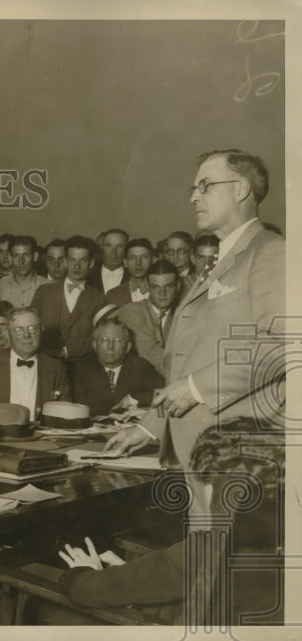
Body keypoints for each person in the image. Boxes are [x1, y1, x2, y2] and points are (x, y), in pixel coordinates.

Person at [106, 150, 285, 482]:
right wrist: (148, 429)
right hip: (202, 448)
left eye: (205, 185)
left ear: (241, 189)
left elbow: (280, 345)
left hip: (238, 454)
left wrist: (196, 387)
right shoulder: (217, 262)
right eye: (193, 188)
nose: (193, 196)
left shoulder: (271, 251)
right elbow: (186, 368)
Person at [60, 420, 282, 625]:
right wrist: (131, 579)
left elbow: (84, 591)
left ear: (214, 489)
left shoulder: (205, 552)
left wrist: (84, 572)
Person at [0, 307, 70, 418]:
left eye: (32, 328)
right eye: (19, 330)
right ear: (9, 332)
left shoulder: (56, 368)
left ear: (41, 330)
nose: (26, 335)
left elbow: (65, 415)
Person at [67, 314, 164, 416]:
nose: (110, 346)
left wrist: (132, 399)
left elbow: (163, 392)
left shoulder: (141, 367)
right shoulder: (78, 368)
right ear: (95, 345)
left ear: (128, 347)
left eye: (117, 340)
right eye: (104, 340)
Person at [29, 235, 105, 360]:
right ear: (64, 261)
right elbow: (31, 326)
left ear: (91, 263)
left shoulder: (98, 298)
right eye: (72, 260)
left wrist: (67, 351)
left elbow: (101, 337)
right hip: (45, 362)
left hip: (82, 366)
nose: (77, 266)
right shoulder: (44, 292)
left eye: (83, 260)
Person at [116, 259, 181, 376]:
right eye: (155, 287)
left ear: (178, 286)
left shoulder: (182, 314)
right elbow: (150, 353)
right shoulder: (131, 312)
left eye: (168, 286)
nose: (162, 293)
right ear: (146, 286)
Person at [0, 235, 50, 309]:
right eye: (16, 256)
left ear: (35, 256)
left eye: (26, 255)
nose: (21, 261)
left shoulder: (49, 287)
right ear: (11, 257)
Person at [105, 238, 154, 307]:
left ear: (152, 261)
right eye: (132, 258)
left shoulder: (162, 292)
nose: (138, 262)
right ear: (125, 262)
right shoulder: (112, 295)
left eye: (144, 257)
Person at [87, 228, 129, 293]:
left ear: (127, 250)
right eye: (109, 246)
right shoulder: (87, 277)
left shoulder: (134, 278)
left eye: (119, 246)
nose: (113, 252)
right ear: (102, 248)